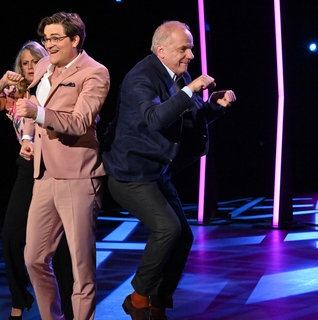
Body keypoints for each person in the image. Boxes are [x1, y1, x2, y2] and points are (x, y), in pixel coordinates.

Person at [101, 21, 236, 320]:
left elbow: (188, 119)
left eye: (190, 47)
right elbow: (155, 119)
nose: (190, 54)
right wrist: (190, 89)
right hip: (130, 174)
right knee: (168, 228)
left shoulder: (177, 75)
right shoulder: (141, 77)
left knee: (183, 236)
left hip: (157, 173)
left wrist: (216, 106)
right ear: (161, 50)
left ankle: (158, 304)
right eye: (183, 48)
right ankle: (137, 297)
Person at [14, 12, 110, 320]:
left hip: (78, 176)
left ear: (75, 39)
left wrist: (39, 113)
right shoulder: (44, 66)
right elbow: (28, 109)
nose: (49, 45)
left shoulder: (94, 73)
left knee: (81, 267)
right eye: (46, 39)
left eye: (56, 38)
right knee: (34, 258)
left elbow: (80, 121)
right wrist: (27, 136)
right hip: (44, 175)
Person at [0, 40, 74, 320]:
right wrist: (2, 81)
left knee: (60, 249)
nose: (30, 67)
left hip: (56, 167)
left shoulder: (51, 90)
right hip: (27, 168)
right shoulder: (15, 93)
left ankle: (66, 308)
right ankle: (20, 297)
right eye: (25, 63)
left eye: (35, 61)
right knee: (11, 236)